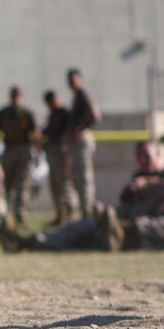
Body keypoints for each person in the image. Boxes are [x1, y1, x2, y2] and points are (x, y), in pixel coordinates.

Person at [2, 141, 164, 252]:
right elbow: (124, 200)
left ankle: (32, 242)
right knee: (74, 228)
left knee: (80, 236)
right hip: (116, 220)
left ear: (158, 155)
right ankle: (30, 241)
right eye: (139, 156)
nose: (142, 160)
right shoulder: (138, 174)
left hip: (133, 227)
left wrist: (146, 183)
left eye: (146, 156)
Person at [0, 86, 39, 224]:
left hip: (23, 149)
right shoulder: (4, 113)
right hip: (10, 149)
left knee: (22, 184)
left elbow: (35, 133)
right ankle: (6, 214)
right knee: (8, 184)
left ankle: (20, 215)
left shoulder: (27, 113)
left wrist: (36, 152)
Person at [67, 68, 101, 218]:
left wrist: (81, 129)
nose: (71, 83)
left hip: (82, 139)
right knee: (77, 176)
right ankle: (84, 210)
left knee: (84, 176)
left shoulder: (83, 94)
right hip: (77, 140)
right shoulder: (76, 96)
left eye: (73, 79)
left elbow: (95, 115)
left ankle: (88, 211)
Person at [42, 90, 76, 226]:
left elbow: (68, 134)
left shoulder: (64, 114)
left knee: (63, 184)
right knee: (55, 185)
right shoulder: (52, 115)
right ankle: (60, 215)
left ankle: (70, 213)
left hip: (61, 152)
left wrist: (67, 155)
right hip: (52, 152)